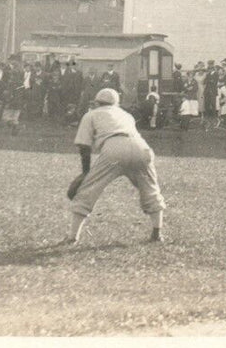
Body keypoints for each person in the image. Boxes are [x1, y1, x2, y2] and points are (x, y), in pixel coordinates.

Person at [64, 88, 166, 244]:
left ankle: (73, 236)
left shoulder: (91, 114)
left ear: (97, 102)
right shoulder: (126, 115)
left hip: (114, 148)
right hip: (141, 147)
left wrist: (86, 174)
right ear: (116, 103)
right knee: (150, 188)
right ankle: (157, 233)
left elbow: (84, 147)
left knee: (87, 190)